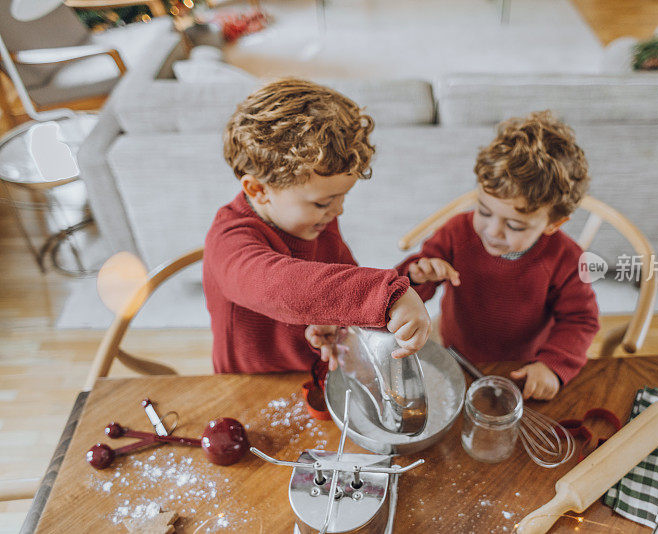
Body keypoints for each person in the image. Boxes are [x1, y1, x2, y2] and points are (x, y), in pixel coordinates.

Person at [204, 78, 430, 374]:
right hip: (252, 381)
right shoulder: (228, 242)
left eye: (341, 197)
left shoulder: (320, 221)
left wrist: (335, 319)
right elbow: (278, 287)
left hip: (317, 365)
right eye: (323, 203)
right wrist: (385, 296)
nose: (338, 210)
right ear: (258, 190)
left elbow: (342, 278)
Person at [397, 111, 600, 400]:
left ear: (554, 223)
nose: (492, 231)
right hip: (455, 349)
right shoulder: (457, 232)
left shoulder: (566, 259)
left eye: (515, 225)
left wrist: (552, 366)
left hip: (522, 365)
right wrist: (418, 275)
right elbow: (408, 287)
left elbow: (581, 319)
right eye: (483, 210)